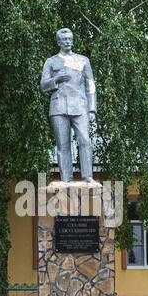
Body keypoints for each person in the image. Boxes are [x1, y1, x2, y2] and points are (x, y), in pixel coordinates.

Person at [40, 28, 96, 183]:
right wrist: (56, 79)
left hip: (80, 106)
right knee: (62, 145)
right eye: (64, 39)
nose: (67, 42)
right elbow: (43, 85)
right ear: (58, 42)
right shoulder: (51, 61)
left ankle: (87, 176)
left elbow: (90, 85)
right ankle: (66, 179)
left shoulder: (83, 60)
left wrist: (92, 109)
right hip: (59, 107)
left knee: (84, 140)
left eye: (70, 39)